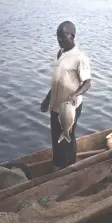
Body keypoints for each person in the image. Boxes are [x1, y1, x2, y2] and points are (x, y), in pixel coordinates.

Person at [40, 21, 92, 170]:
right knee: (56, 136)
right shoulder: (60, 53)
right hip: (56, 106)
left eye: (63, 37)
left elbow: (87, 83)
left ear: (72, 36)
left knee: (67, 135)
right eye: (58, 37)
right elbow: (57, 81)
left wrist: (75, 95)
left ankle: (69, 165)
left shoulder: (80, 58)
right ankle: (58, 164)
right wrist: (47, 99)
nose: (60, 40)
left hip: (70, 107)